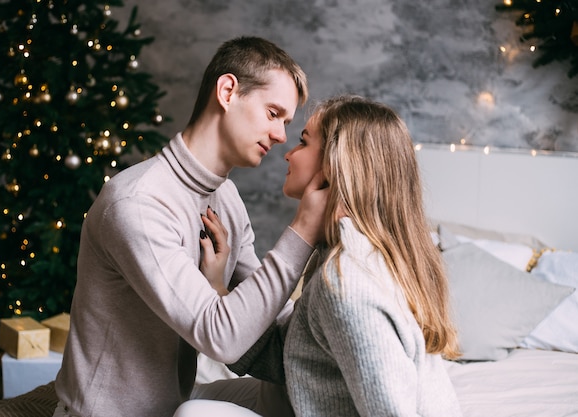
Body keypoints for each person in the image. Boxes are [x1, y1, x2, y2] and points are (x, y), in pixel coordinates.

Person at [52, 36, 328, 417]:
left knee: (289, 400)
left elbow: (261, 317)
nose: (281, 136)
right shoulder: (138, 203)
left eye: (287, 123)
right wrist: (305, 231)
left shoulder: (226, 198)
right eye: (273, 113)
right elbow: (222, 337)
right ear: (228, 92)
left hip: (175, 404)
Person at [183, 95, 463, 416]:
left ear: (332, 166)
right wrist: (219, 290)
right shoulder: (345, 251)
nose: (287, 153)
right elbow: (287, 354)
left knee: (191, 414)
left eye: (303, 142)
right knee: (183, 396)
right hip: (296, 399)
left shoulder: (347, 282)